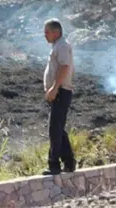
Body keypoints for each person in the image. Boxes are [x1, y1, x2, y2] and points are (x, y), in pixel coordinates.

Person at [42, 18, 76, 175]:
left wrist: (55, 88)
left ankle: (54, 164)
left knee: (54, 129)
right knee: (58, 129)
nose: (45, 35)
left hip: (61, 91)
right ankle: (69, 162)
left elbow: (64, 67)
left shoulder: (61, 46)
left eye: (47, 32)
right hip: (59, 91)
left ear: (56, 32)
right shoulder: (58, 45)